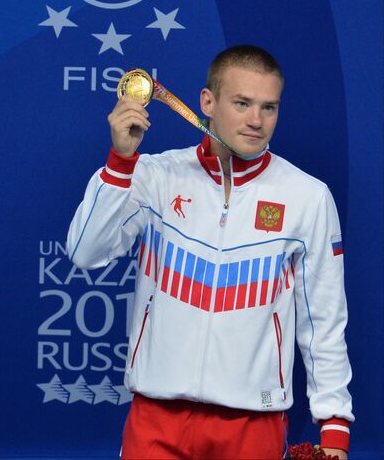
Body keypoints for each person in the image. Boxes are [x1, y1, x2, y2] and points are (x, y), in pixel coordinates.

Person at [68, 46, 353, 459]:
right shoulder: (155, 176)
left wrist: (334, 427)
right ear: (208, 102)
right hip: (157, 420)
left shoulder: (307, 197)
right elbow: (84, 252)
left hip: (253, 426)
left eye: (268, 107)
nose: (256, 121)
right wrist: (121, 161)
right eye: (242, 103)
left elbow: (323, 321)